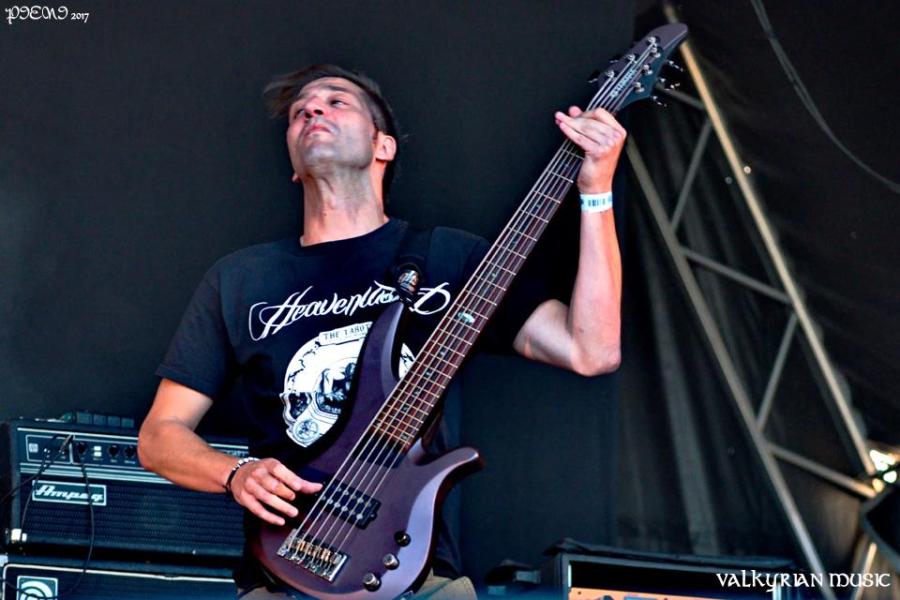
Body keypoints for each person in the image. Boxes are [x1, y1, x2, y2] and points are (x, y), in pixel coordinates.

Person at [137, 64, 624, 599]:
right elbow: (160, 436)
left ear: (382, 145)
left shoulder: (447, 258)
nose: (312, 110)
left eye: (336, 102)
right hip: (285, 570)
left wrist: (596, 191)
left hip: (415, 574)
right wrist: (235, 473)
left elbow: (591, 350)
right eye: (299, 112)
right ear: (294, 167)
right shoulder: (241, 280)